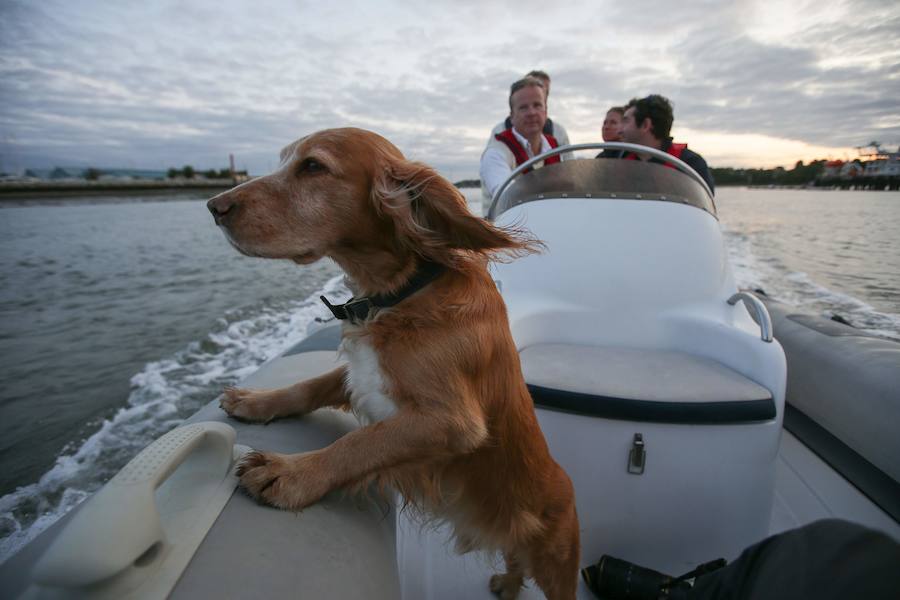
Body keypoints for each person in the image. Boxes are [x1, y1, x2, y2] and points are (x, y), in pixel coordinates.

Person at [480, 77, 568, 199]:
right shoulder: (495, 153)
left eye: (537, 105)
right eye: (523, 107)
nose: (531, 112)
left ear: (546, 111)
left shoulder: (556, 148)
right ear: (512, 116)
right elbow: (506, 198)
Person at [618, 94, 714, 194]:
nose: (619, 130)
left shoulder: (690, 164)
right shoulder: (619, 161)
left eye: (625, 121)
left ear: (645, 125)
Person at [487, 70, 570, 147]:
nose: (532, 113)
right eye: (523, 107)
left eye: (545, 90)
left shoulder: (559, 132)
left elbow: (568, 161)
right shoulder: (499, 133)